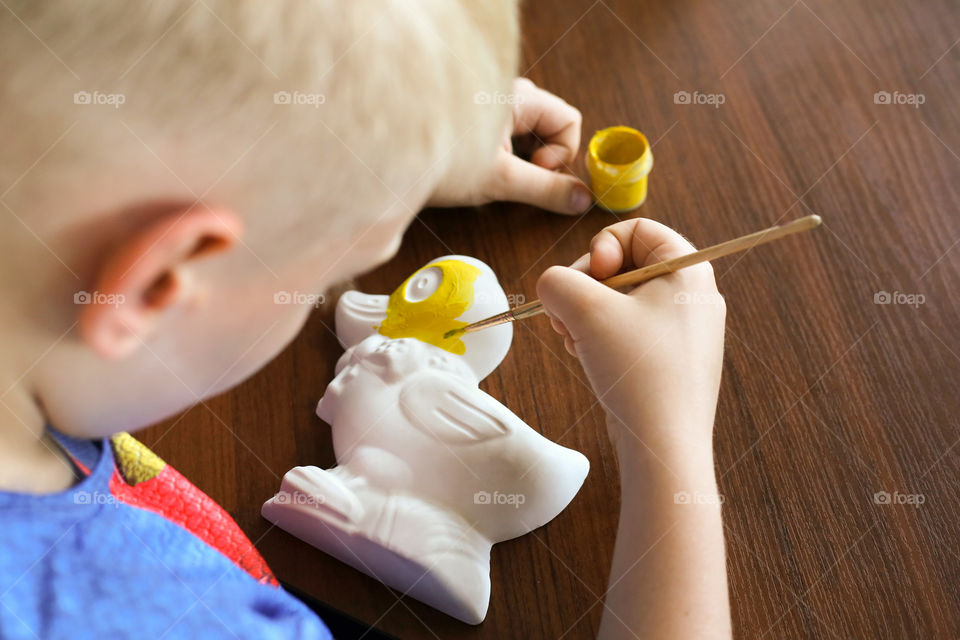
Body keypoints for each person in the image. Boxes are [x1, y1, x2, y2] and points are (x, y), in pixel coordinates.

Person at [0, 1, 730, 638]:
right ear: (160, 284)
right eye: (331, 272)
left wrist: (373, 156)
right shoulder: (184, 617)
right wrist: (671, 442)